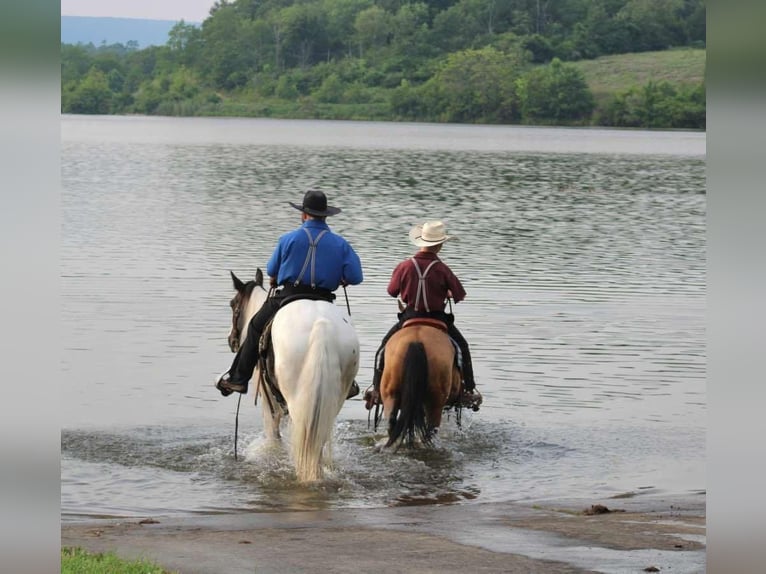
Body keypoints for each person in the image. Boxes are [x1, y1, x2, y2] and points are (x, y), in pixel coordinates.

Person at [215, 188, 364, 397]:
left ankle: (238, 379)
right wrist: (342, 278)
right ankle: (349, 382)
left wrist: (278, 276)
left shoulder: (288, 239)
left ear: (303, 214)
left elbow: (271, 270)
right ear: (325, 216)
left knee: (256, 327)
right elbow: (356, 277)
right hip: (324, 298)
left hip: (288, 296)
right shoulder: (340, 243)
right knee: (341, 331)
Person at [364, 220, 480, 410]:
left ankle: (376, 389)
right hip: (437, 318)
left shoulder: (404, 266)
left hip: (410, 317)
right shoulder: (443, 269)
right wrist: (447, 292)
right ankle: (469, 390)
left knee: (383, 349)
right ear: (440, 245)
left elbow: (392, 291)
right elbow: (460, 295)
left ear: (421, 241)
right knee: (462, 348)